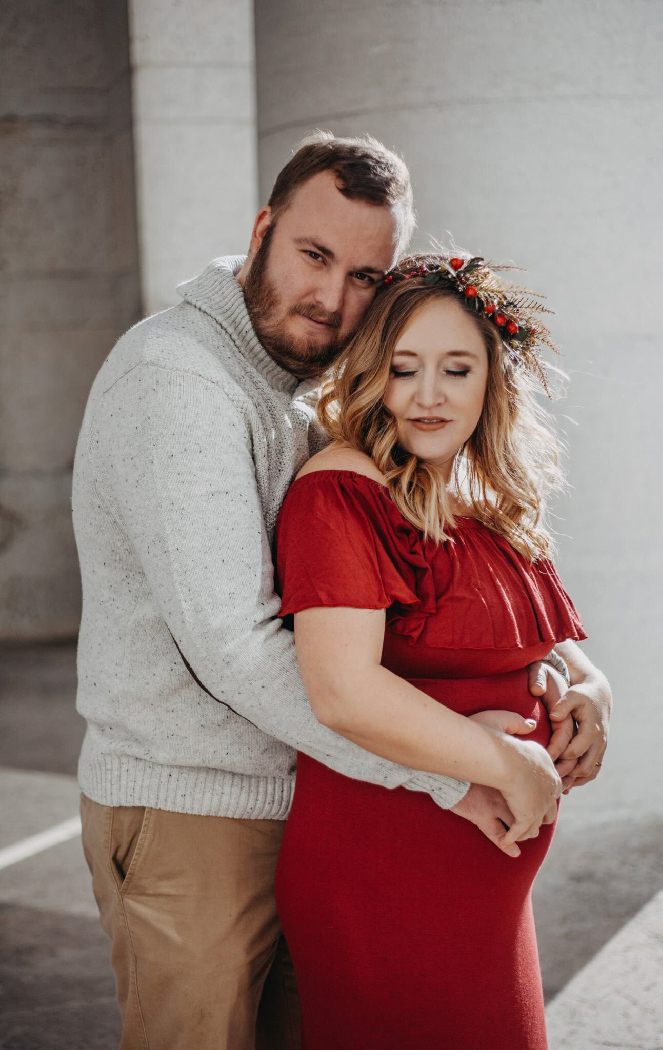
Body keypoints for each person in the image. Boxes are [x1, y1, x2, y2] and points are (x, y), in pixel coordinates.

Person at [73, 132, 611, 1050]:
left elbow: (441, 581)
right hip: (194, 811)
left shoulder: (316, 383)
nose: (333, 298)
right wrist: (451, 773)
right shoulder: (181, 382)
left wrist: (577, 677)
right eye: (314, 256)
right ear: (261, 230)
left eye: (367, 275)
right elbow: (239, 649)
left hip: (313, 793)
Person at [273, 251, 603, 1049]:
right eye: (403, 368)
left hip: (487, 884)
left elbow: (549, 639)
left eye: (455, 369)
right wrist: (514, 764)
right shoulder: (340, 492)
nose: (428, 396)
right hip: (386, 867)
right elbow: (342, 692)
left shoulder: (489, 497)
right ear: (370, 375)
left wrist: (594, 692)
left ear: (492, 380)